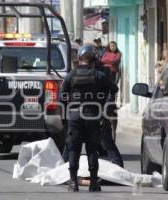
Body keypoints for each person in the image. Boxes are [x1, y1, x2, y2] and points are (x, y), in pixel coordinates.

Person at [60, 44, 118, 192]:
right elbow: (113, 89)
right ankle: (93, 183)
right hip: (93, 116)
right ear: (94, 59)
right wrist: (106, 110)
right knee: (92, 149)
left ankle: (73, 183)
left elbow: (62, 97)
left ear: (80, 59)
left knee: (74, 148)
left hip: (75, 116)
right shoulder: (100, 75)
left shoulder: (71, 75)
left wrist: (66, 118)